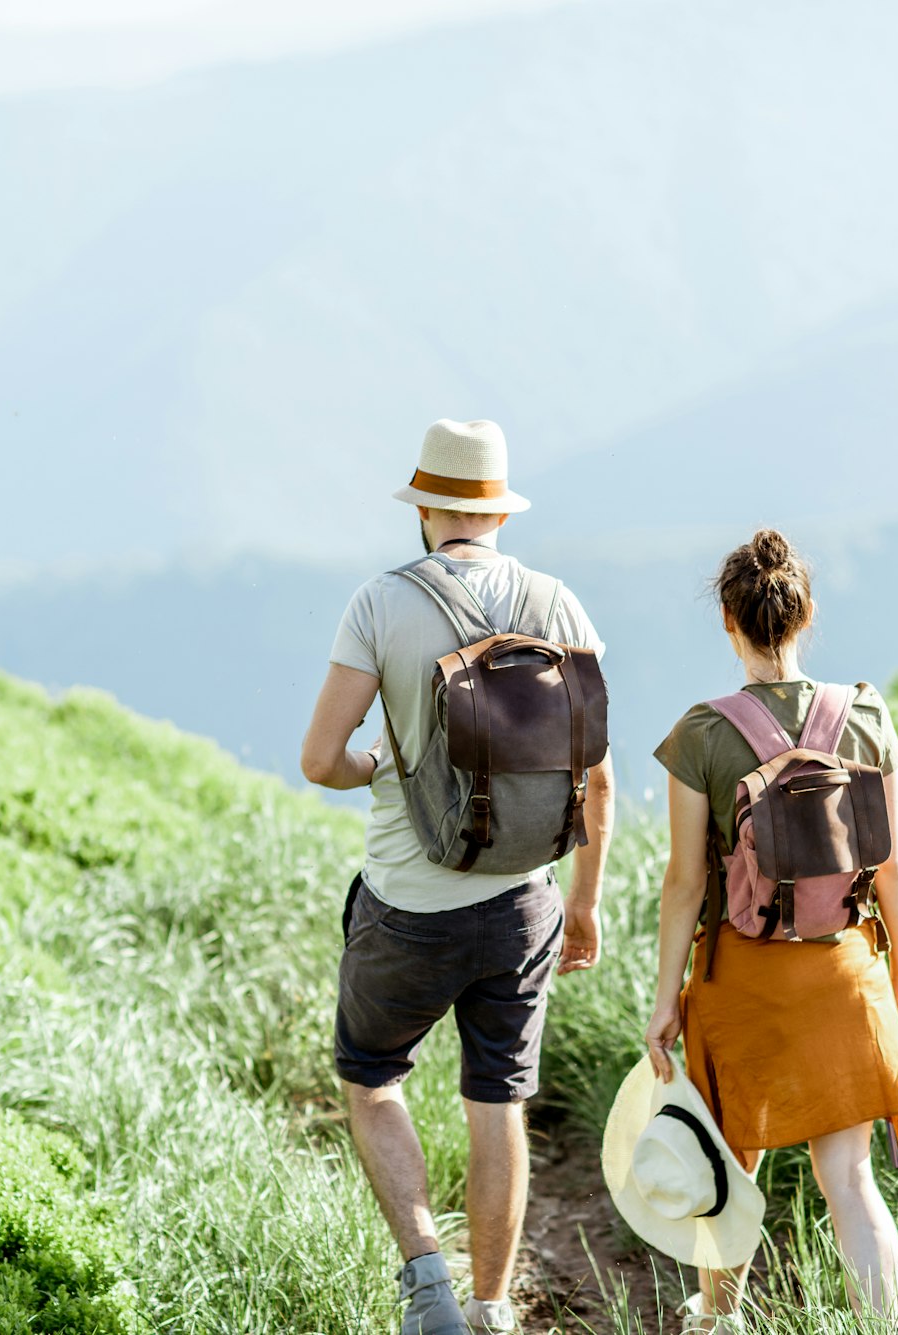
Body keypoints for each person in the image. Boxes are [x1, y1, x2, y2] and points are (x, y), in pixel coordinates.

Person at [300, 419, 616, 1335]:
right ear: (498, 511)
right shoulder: (559, 604)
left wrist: (383, 767)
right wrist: (585, 902)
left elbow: (321, 759)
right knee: (498, 1097)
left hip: (408, 902)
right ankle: (491, 1307)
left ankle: (426, 1280)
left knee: (371, 1075)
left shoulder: (379, 604)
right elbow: (596, 778)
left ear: (428, 507)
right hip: (526, 901)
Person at [643, 528, 898, 1330]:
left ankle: (721, 1319)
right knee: (851, 1179)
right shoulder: (868, 718)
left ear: (727, 619)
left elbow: (685, 883)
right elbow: (892, 871)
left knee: (731, 1167)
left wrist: (665, 1001)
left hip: (742, 978)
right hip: (845, 976)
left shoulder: (702, 737)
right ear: (807, 612)